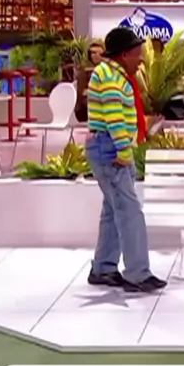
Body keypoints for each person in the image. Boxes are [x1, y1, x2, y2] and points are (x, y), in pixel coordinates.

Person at [85, 25, 166, 293]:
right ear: (123, 55)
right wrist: (123, 151)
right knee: (130, 213)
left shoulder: (114, 75)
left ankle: (103, 268)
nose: (141, 59)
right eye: (137, 53)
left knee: (114, 210)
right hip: (110, 150)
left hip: (110, 148)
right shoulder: (109, 77)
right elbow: (114, 119)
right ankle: (137, 274)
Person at [74, 40, 105, 123]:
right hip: (85, 107)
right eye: (93, 53)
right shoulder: (84, 70)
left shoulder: (107, 70)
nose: (96, 55)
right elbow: (82, 92)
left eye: (99, 53)